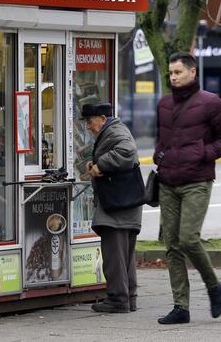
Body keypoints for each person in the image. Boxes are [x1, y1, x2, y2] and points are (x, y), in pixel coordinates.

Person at [154, 52, 221, 325]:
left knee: (188, 238)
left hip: (196, 181)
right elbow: (162, 138)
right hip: (168, 182)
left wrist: (204, 153)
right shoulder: (164, 104)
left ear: (192, 72)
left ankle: (213, 286)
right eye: (170, 73)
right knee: (172, 246)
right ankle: (181, 307)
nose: (173, 77)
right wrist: (159, 155)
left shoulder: (211, 103)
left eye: (178, 72)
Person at [82, 102, 142, 313]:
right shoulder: (113, 130)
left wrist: (101, 165)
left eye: (90, 122)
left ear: (103, 119)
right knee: (125, 255)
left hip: (117, 204)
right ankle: (129, 297)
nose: (88, 127)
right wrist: (93, 163)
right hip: (125, 202)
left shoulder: (114, 131)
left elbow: (127, 150)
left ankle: (117, 299)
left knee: (114, 254)